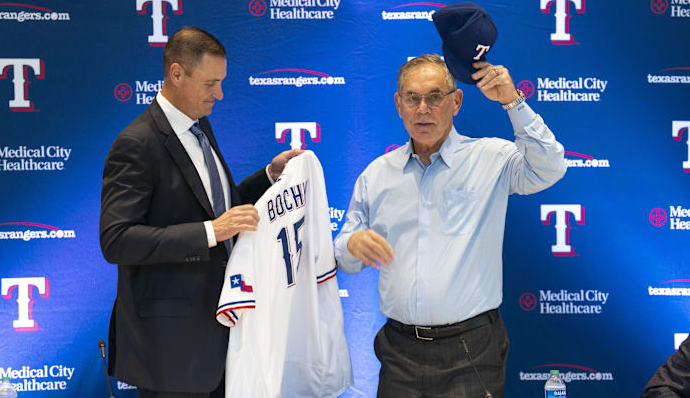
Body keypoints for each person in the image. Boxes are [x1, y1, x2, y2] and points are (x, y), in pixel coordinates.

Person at [333, 53, 566, 397]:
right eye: (412, 98)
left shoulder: (491, 159)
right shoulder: (376, 175)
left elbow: (550, 167)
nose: (423, 108)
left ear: (456, 101)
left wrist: (513, 102)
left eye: (435, 96)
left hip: (471, 349)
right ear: (399, 105)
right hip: (399, 351)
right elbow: (343, 254)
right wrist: (351, 245)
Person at [100, 27, 301, 398]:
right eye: (210, 83)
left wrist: (268, 177)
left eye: (221, 83)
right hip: (171, 352)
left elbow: (216, 209)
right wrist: (210, 231)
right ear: (176, 74)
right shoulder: (137, 143)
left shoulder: (199, 126)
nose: (219, 95)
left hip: (219, 338)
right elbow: (117, 240)